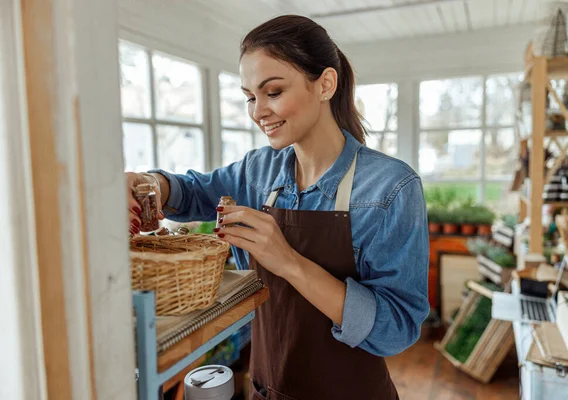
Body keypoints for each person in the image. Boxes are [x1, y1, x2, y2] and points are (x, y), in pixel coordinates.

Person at [127, 15, 429, 400]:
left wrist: (287, 260)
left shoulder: (391, 187)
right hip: (267, 390)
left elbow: (396, 329)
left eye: (272, 92)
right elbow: (190, 193)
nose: (257, 112)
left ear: (325, 84)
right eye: (251, 97)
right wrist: (147, 183)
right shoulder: (257, 171)